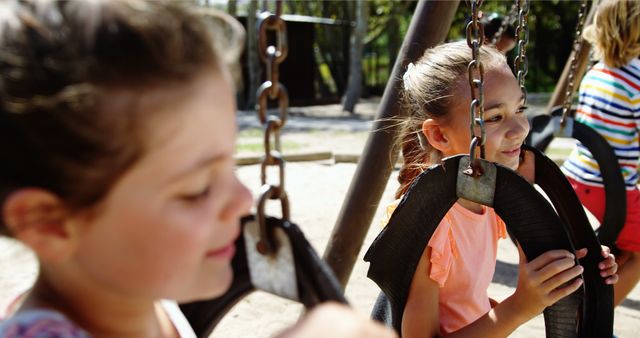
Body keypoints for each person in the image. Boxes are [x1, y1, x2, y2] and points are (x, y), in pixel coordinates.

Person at [0, 1, 396, 337]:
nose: (244, 201)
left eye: (229, 163)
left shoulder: (147, 301)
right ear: (49, 222)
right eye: (196, 189)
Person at [392, 40, 618, 337]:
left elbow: (535, 247)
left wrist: (577, 263)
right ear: (439, 135)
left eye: (520, 109)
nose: (520, 129)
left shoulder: (486, 195)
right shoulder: (429, 225)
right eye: (495, 117)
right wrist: (519, 307)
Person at [561, 0, 640, 307]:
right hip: (611, 189)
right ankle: (595, 323)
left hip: (576, 178)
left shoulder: (595, 73)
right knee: (637, 252)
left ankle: (589, 306)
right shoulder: (635, 79)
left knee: (623, 248)